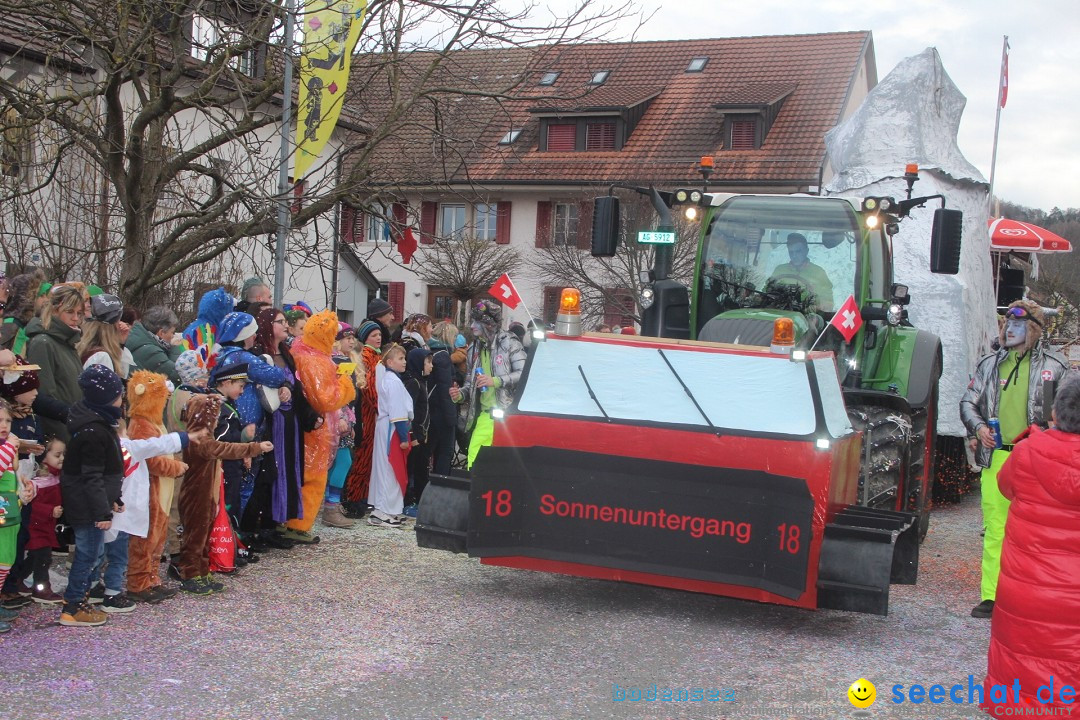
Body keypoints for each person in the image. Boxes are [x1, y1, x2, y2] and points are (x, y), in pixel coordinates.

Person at [959, 300, 1069, 618]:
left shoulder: (1054, 367)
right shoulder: (991, 365)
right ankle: (992, 596)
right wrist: (978, 428)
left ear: (1033, 328)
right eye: (1007, 323)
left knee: (1038, 532)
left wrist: (1050, 437)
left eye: (1017, 324)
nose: (1009, 329)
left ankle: (1036, 597)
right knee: (996, 529)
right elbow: (968, 401)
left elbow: (1065, 415)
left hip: (1038, 461)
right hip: (997, 458)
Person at [982, 373, 1080, 716]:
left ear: (1056, 411)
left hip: (1025, 589)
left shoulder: (1026, 452)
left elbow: (1005, 486)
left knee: (1019, 669)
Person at [177, 363, 271, 594]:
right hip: (197, 490)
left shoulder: (201, 437)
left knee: (205, 528)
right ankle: (190, 572)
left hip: (207, 488)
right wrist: (253, 447)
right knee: (196, 532)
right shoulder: (199, 441)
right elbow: (222, 448)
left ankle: (202, 569)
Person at [58, 364, 126, 627]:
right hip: (85, 506)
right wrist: (101, 512)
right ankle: (73, 605)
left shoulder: (99, 424)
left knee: (91, 554)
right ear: (107, 399)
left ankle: (79, 601)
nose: (122, 401)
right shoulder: (93, 431)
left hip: (92, 502)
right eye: (119, 396)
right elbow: (92, 476)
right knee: (87, 555)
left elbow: (109, 470)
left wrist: (114, 497)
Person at [282, 310, 356, 543]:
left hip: (301, 424)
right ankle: (298, 525)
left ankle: (288, 521)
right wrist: (344, 383)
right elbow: (324, 399)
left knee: (298, 473)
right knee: (313, 477)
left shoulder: (298, 352)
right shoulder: (317, 361)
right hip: (316, 427)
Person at [450, 301, 526, 468]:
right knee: (473, 460)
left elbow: (524, 375)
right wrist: (460, 394)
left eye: (476, 322)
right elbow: (471, 381)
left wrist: (496, 381)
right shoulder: (473, 349)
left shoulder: (510, 343)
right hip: (485, 415)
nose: (472, 326)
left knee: (504, 465)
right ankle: (474, 492)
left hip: (509, 417)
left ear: (489, 323)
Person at [25, 284, 86, 441]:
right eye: (69, 311)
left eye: (79, 313)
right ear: (54, 311)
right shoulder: (43, 343)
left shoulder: (66, 342)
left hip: (74, 430)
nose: (75, 318)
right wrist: (64, 439)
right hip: (60, 438)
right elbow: (44, 399)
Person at [368, 344, 412, 528]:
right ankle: (382, 510)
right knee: (389, 469)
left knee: (387, 468)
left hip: (389, 426)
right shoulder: (392, 381)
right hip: (392, 428)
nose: (404, 362)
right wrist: (403, 437)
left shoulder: (390, 378)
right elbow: (397, 410)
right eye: (401, 359)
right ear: (389, 361)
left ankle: (390, 509)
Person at [342, 321, 382, 518]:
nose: (378, 337)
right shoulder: (367, 356)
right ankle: (354, 498)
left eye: (379, 334)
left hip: (371, 414)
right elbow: (370, 388)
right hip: (367, 414)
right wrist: (381, 408)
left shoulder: (376, 355)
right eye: (374, 335)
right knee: (362, 457)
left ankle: (360, 497)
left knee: (366, 457)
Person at [401, 347, 432, 515]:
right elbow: (409, 410)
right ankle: (408, 502)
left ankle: (418, 501)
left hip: (421, 435)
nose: (431, 366)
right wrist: (412, 434)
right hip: (415, 436)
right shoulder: (413, 383)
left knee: (420, 469)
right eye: (428, 362)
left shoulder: (421, 381)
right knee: (412, 470)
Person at [769, 233, 834, 311]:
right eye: (791, 252)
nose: (794, 256)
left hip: (807, 317)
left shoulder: (818, 273)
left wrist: (817, 307)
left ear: (806, 251)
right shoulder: (779, 270)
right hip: (779, 314)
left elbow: (828, 302)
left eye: (798, 251)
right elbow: (766, 292)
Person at [426, 321, 459, 476]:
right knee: (445, 450)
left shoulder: (429, 352)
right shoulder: (444, 356)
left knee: (429, 449)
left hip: (429, 409)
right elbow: (446, 389)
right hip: (441, 411)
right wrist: (452, 418)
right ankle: (441, 482)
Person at [126, 306, 183, 385]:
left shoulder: (135, 336)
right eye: (172, 332)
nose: (173, 336)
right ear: (161, 333)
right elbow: (178, 377)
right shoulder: (151, 352)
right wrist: (175, 348)